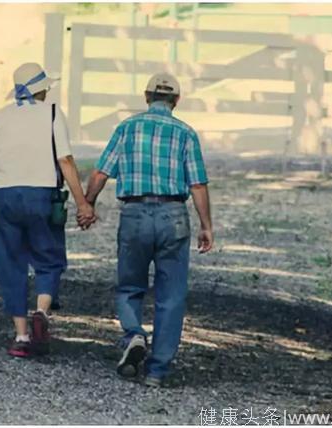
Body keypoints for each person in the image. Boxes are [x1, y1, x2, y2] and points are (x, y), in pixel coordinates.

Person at [83, 72, 213, 387]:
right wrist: (206, 226)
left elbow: (101, 173)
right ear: (176, 101)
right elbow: (197, 184)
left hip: (135, 214)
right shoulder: (186, 133)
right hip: (173, 215)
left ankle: (134, 334)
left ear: (146, 96)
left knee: (130, 286)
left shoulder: (126, 128)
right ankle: (157, 371)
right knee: (172, 295)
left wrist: (87, 204)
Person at [0, 62, 94, 358]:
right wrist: (82, 202)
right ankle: (42, 312)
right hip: (42, 195)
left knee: (10, 263)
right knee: (49, 258)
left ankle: (22, 336)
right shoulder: (52, 113)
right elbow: (65, 161)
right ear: (41, 89)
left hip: (4, 198)